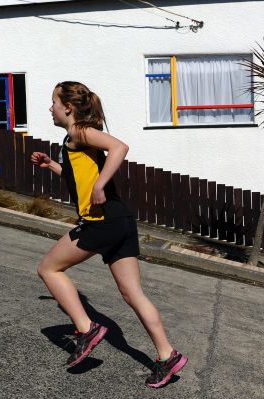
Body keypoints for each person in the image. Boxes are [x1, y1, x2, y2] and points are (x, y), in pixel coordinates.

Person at [30, 81, 187, 388]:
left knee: (48, 268)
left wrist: (101, 184)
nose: (50, 108)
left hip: (101, 221)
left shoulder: (79, 132)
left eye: (53, 103)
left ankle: (86, 329)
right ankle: (167, 355)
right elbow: (80, 179)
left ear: (68, 108)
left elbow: (120, 147)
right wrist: (52, 166)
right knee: (133, 294)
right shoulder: (73, 140)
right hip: (121, 220)